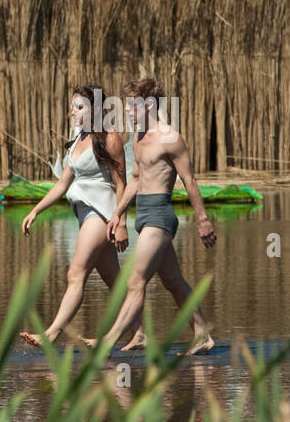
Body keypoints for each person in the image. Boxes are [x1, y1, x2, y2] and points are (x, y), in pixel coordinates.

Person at [95, 78, 215, 356]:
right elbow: (136, 179)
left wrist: (203, 220)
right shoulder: (138, 137)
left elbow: (189, 181)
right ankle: (202, 335)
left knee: (136, 280)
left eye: (132, 105)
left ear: (149, 104)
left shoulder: (170, 138)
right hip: (143, 214)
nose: (126, 110)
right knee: (173, 281)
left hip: (161, 216)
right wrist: (118, 213)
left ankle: (109, 340)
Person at [17, 85, 129, 347]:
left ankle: (52, 333)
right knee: (115, 281)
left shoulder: (109, 137)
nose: (73, 111)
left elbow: (121, 182)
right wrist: (35, 210)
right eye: (73, 107)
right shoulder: (79, 139)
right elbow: (62, 184)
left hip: (102, 214)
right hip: (83, 214)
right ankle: (138, 333)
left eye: (80, 107)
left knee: (75, 275)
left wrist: (121, 221)